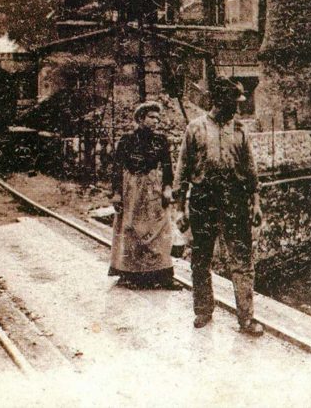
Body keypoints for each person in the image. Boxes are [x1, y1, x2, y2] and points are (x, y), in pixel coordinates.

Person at [176, 78, 264, 336]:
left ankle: (246, 318)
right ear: (218, 100)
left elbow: (251, 170)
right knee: (201, 258)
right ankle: (203, 310)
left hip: (235, 199)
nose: (237, 108)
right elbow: (182, 170)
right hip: (203, 199)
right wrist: (180, 209)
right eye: (232, 102)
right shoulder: (195, 129)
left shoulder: (240, 130)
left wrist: (256, 203)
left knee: (242, 259)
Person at [109, 101, 179, 290]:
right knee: (131, 228)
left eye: (158, 118)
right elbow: (117, 168)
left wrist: (167, 188)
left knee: (160, 229)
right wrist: (116, 193)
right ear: (140, 118)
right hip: (132, 189)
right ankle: (131, 274)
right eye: (151, 117)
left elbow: (167, 166)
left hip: (153, 188)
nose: (156, 121)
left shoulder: (161, 140)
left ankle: (163, 275)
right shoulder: (126, 140)